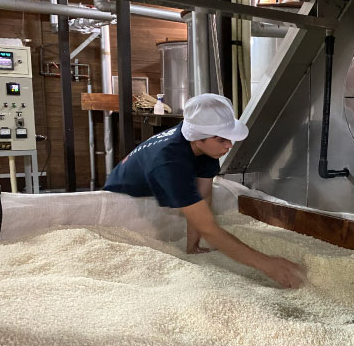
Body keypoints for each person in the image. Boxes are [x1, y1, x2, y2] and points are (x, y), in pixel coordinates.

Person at [104, 93, 305, 289]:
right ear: (197, 138)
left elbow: (204, 196)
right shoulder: (169, 162)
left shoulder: (205, 146)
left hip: (157, 185)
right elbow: (209, 228)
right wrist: (267, 264)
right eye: (221, 140)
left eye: (229, 138)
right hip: (122, 196)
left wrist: (192, 246)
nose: (229, 145)